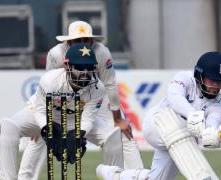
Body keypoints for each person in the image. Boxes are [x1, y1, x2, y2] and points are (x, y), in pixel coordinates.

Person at [17, 20, 143, 180]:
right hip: (63, 97)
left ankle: (138, 175)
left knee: (122, 133)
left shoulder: (102, 52)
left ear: (92, 40)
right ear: (69, 41)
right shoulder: (56, 54)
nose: (83, 44)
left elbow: (109, 83)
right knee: (41, 136)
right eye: (78, 40)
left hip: (95, 95)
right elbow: (48, 86)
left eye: (86, 40)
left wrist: (117, 118)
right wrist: (44, 124)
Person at [0, 44, 115, 179]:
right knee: (9, 126)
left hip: (75, 119)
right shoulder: (49, 80)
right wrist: (47, 129)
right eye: (80, 67)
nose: (85, 73)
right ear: (67, 65)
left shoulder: (98, 88)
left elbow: (88, 119)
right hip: (45, 115)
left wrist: (78, 135)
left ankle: (116, 176)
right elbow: (40, 111)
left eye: (89, 68)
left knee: (112, 136)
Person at [141, 52, 221, 180]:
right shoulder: (185, 78)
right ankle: (202, 177)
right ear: (200, 75)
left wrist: (211, 134)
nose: (216, 87)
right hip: (156, 124)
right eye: (212, 80)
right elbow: (174, 97)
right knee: (185, 133)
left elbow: (212, 123)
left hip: (180, 140)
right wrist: (193, 115)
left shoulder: (219, 103)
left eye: (220, 82)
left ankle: (119, 175)